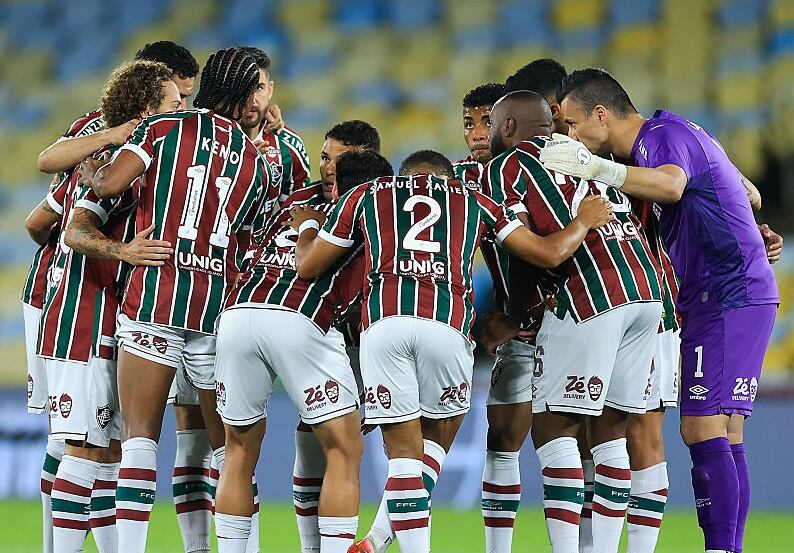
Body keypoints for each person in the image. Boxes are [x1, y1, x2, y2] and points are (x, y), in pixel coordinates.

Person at [289, 149, 613, 553]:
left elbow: (308, 264)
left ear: (403, 176)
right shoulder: (473, 199)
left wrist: (307, 227)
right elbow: (548, 253)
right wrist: (583, 220)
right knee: (436, 441)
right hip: (447, 326)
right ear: (448, 178)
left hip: (385, 324)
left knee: (403, 455)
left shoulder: (369, 194)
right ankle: (377, 538)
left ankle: (383, 539)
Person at [540, 68, 780, 553]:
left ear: (600, 115)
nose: (570, 138)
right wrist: (747, 223)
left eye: (570, 125)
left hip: (726, 296)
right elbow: (747, 191)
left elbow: (672, 187)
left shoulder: (660, 137)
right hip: (727, 293)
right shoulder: (677, 132)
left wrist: (598, 171)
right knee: (727, 433)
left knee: (702, 428)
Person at [86, 47, 277, 553]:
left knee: (140, 440)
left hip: (156, 296)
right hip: (215, 307)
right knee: (230, 449)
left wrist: (91, 176)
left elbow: (110, 184)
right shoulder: (258, 162)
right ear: (245, 91)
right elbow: (248, 240)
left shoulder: (163, 128)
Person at [484, 91, 664, 553]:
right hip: (645, 293)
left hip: (590, 294)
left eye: (490, 125)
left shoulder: (507, 167)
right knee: (610, 431)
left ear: (507, 127)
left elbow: (535, 250)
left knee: (553, 427)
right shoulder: (582, 153)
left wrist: (516, 314)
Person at [30, 60, 180, 553]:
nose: (183, 109)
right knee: (81, 446)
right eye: (175, 102)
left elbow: (40, 221)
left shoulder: (141, 162)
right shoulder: (112, 165)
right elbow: (72, 230)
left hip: (114, 315)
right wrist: (125, 252)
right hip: (81, 314)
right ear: (147, 110)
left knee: (110, 452)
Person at [212, 149, 392, 553]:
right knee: (344, 449)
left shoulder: (290, 211)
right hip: (300, 317)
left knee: (238, 450)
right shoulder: (367, 216)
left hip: (237, 315)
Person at [289, 119, 382, 553]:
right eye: (324, 157)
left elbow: (311, 265)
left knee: (395, 447)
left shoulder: (380, 205)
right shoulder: (304, 199)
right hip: (325, 339)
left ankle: (377, 540)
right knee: (314, 443)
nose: (327, 169)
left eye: (339, 161)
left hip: (372, 341)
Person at [237, 46, 311, 203]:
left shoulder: (289, 147)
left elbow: (297, 215)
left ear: (270, 90)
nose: (251, 99)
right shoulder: (209, 139)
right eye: (242, 88)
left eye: (259, 87)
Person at [453, 83, 506, 189]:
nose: (477, 136)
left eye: (489, 123)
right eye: (469, 125)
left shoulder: (536, 170)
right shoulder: (452, 176)